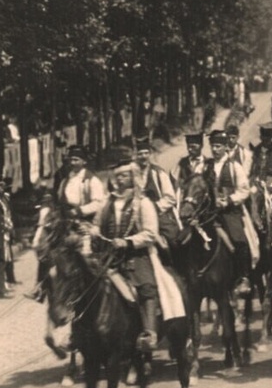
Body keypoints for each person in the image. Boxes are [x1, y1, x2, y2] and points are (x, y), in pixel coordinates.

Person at [90, 153, 186, 353]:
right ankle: (81, 333)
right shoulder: (107, 201)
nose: (120, 180)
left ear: (133, 177)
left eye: (125, 176)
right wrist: (94, 233)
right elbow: (97, 224)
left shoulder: (143, 202)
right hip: (109, 256)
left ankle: (149, 332)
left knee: (146, 286)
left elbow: (150, 233)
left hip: (137, 255)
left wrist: (127, 242)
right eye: (118, 176)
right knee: (85, 283)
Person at [209, 129, 256, 297]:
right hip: (209, 212)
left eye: (218, 146)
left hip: (230, 212)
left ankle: (242, 277)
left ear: (225, 147)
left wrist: (228, 200)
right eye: (213, 146)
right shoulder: (205, 166)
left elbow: (244, 190)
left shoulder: (234, 166)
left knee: (239, 240)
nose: (215, 150)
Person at [132, 137, 182, 250]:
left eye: (146, 153)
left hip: (158, 213)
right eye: (140, 154)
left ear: (150, 155)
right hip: (136, 214)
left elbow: (170, 198)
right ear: (136, 156)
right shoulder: (132, 174)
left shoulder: (158, 173)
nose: (143, 157)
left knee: (172, 240)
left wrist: (154, 207)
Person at [57, 145, 106, 222]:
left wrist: (79, 211)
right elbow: (60, 198)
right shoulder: (66, 180)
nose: (72, 163)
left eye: (76, 160)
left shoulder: (92, 180)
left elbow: (98, 204)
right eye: (71, 160)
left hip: (85, 220)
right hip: (66, 220)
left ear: (84, 161)